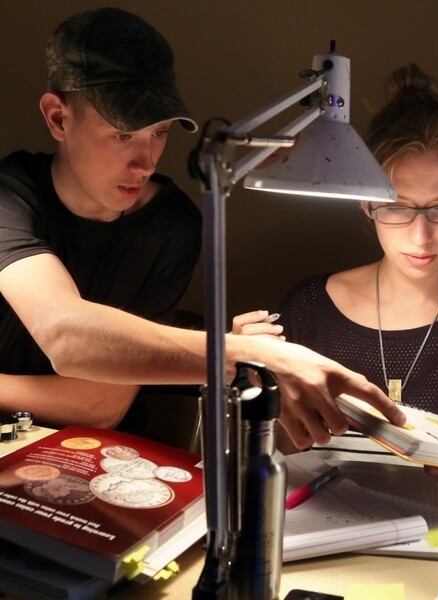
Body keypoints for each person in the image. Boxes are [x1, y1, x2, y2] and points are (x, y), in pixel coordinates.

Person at [0, 7, 404, 444]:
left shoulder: (170, 223)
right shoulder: (10, 196)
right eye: (123, 135)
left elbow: (102, 404)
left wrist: (230, 348)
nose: (146, 160)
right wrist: (240, 353)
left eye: (159, 132)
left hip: (110, 456)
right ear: (58, 118)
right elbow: (66, 334)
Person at [235, 64, 438, 508]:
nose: (420, 236)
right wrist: (245, 381)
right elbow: (276, 463)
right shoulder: (308, 309)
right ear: (364, 202)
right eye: (396, 207)